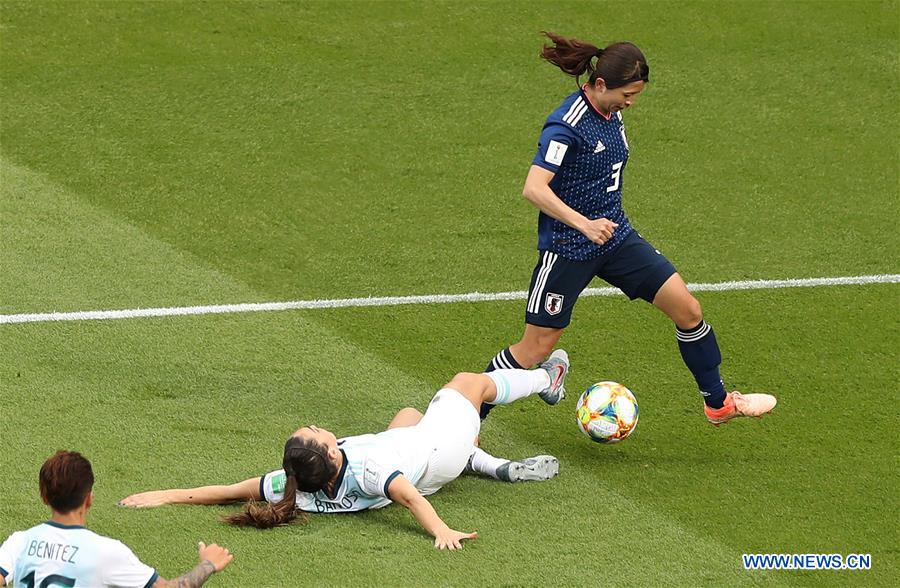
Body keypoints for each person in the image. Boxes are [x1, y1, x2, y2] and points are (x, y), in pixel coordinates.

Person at [479, 32, 776, 425]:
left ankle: (718, 403)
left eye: (635, 95)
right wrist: (584, 224)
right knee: (534, 348)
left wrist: (600, 225)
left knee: (687, 308)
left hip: (615, 238)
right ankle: (467, 420)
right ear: (600, 85)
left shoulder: (611, 111)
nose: (631, 103)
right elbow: (534, 188)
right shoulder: (566, 125)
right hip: (569, 247)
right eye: (627, 95)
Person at [119, 352, 570, 551]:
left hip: (416, 456)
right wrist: (442, 531)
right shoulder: (372, 468)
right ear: (332, 453)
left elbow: (228, 491)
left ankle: (488, 463)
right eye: (317, 430)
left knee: (408, 413)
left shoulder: (296, 485)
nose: (318, 425)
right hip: (438, 455)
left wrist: (166, 495)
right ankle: (545, 382)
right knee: (468, 383)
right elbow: (411, 498)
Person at [0, 451, 233, 588]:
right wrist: (208, 564)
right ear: (89, 498)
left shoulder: (19, 542)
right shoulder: (107, 552)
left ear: (43, 496)